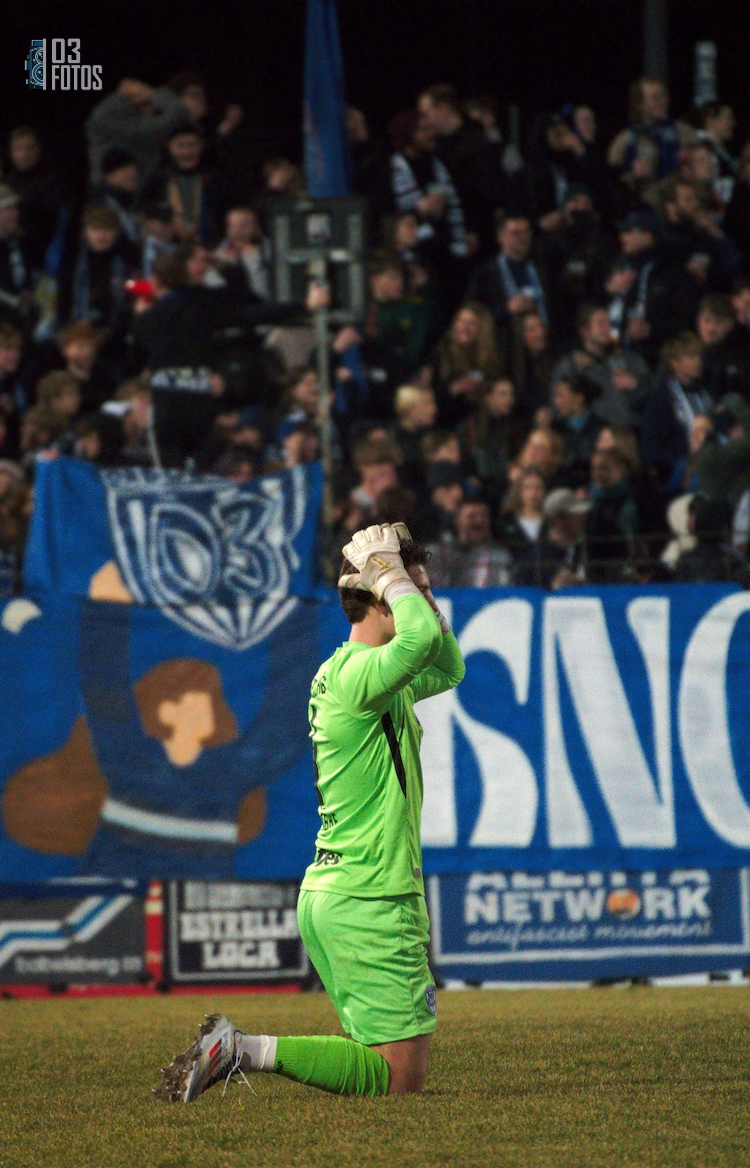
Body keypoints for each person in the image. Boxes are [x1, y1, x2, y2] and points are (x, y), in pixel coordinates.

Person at [155, 522, 465, 1101]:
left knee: (386, 1068)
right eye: (414, 590)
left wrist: (402, 582)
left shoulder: (361, 675)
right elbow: (424, 639)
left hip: (343, 892)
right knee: (399, 1079)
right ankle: (240, 1050)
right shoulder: (359, 675)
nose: (425, 601)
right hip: (370, 896)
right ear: (380, 598)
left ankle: (242, 1049)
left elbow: (449, 667)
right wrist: (391, 575)